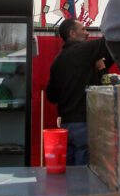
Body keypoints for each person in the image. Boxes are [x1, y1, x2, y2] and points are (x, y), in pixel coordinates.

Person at [46, 18, 113, 166]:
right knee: (84, 176)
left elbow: (51, 96)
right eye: (83, 29)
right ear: (72, 33)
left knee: (69, 175)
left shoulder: (57, 62)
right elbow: (110, 42)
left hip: (65, 127)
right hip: (84, 124)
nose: (87, 33)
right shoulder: (84, 50)